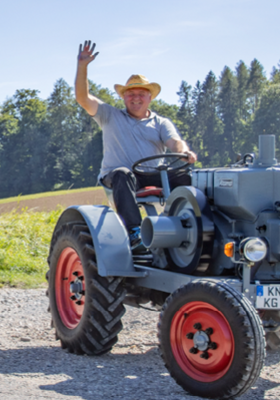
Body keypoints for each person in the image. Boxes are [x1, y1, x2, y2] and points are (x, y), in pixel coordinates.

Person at [74, 40, 195, 250]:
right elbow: (83, 98)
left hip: (152, 174)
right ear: (123, 97)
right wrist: (82, 65)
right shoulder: (109, 115)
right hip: (118, 178)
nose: (135, 98)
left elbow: (174, 141)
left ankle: (193, 227)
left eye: (141, 94)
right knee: (122, 173)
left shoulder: (161, 123)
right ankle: (135, 232)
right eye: (130, 94)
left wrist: (184, 152)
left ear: (150, 97)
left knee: (190, 177)